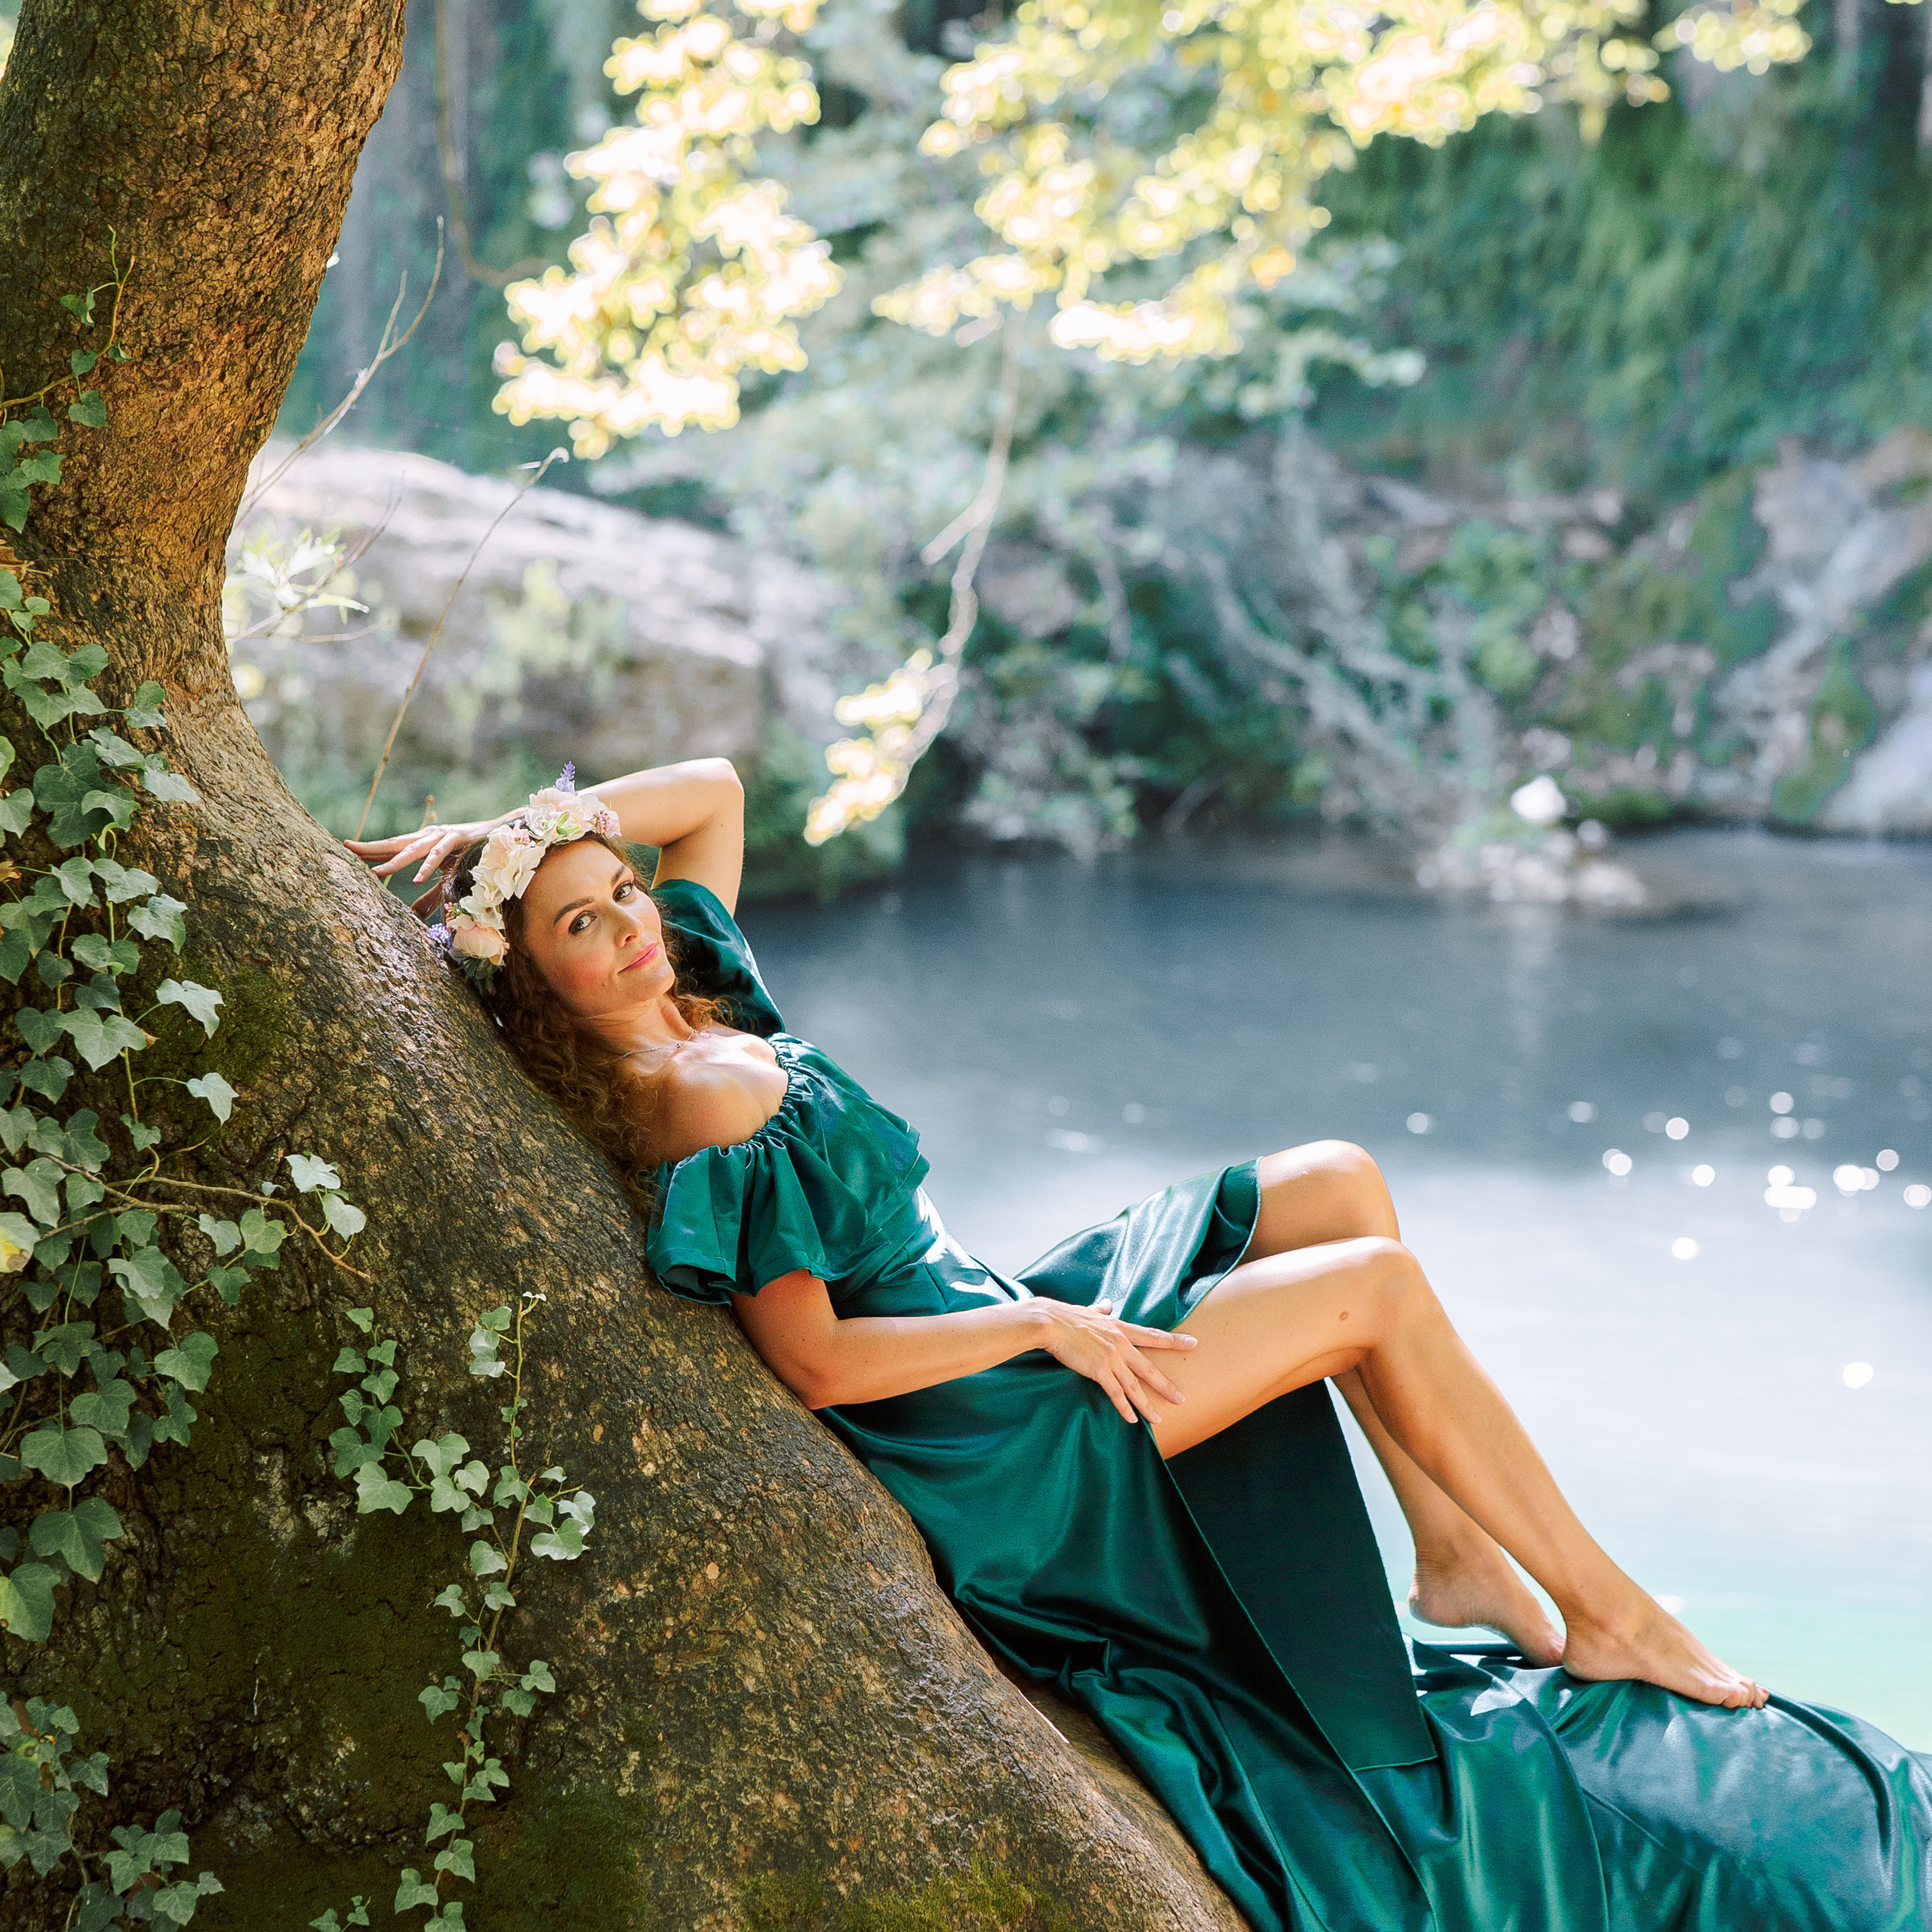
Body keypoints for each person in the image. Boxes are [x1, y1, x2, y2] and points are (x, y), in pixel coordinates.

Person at [352, 760, 1932, 1932]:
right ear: (537, 979)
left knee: (1330, 1178)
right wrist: (1043, 1322)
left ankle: (1451, 1555)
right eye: (582, 921)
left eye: (619, 891)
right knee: (1368, 1282)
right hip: (994, 1432)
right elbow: (822, 1367)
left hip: (987, 1316)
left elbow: (708, 789)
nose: (630, 919)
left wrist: (511, 841)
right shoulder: (705, 1092)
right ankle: (1606, 1614)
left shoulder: (691, 993)